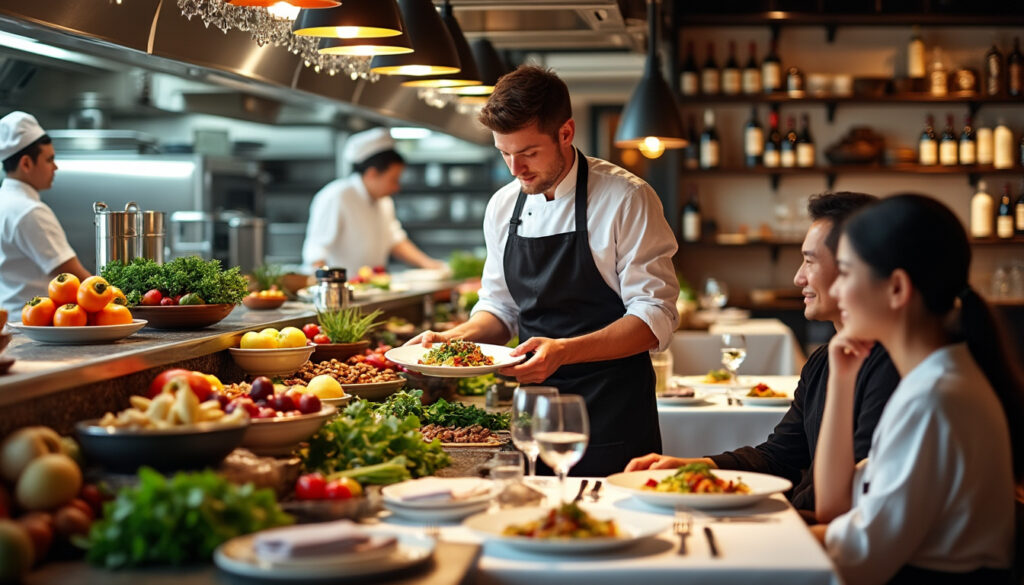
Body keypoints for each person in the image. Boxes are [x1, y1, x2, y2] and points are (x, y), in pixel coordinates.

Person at [408, 66, 679, 476]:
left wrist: (564, 351)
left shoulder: (627, 198)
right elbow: (500, 309)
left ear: (566, 133)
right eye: (504, 153)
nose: (515, 168)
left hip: (612, 414)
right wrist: (452, 341)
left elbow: (653, 319)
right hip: (533, 415)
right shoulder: (503, 206)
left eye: (529, 153)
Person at [626, 192, 900, 520]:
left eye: (810, 261)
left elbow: (848, 498)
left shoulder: (890, 369)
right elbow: (779, 457)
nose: (798, 278)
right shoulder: (825, 361)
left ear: (853, 267)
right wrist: (694, 467)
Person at [811, 194, 1023, 585]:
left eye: (845, 273)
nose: (837, 291)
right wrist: (842, 380)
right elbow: (835, 506)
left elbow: (861, 559)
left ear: (896, 289)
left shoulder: (934, 398)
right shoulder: (933, 381)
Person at [301, 127, 443, 273]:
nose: (397, 187)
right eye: (393, 180)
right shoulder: (337, 196)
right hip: (344, 289)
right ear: (372, 174)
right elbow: (316, 251)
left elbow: (395, 239)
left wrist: (430, 264)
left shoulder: (384, 201)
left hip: (373, 287)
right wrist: (329, 288)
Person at [0, 111, 90, 313]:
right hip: (34, 327)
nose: (55, 167)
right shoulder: (30, 211)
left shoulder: (4, 202)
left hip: (9, 323)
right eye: (49, 159)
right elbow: (74, 277)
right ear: (26, 163)